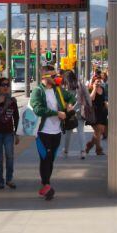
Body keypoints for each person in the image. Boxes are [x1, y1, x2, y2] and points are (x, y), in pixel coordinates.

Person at [29, 65, 75, 201]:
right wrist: (56, 113)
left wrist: (70, 104)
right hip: (43, 132)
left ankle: (46, 184)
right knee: (45, 158)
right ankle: (46, 185)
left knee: (51, 159)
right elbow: (37, 109)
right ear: (45, 77)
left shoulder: (58, 90)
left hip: (56, 132)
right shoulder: (38, 91)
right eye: (54, 76)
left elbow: (71, 97)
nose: (57, 78)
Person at [61, 70, 92, 159]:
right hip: (80, 112)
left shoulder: (64, 86)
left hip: (69, 113)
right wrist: (89, 107)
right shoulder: (80, 84)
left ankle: (66, 150)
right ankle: (83, 152)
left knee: (68, 132)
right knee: (81, 132)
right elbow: (87, 96)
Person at [85, 79, 108, 156]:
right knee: (98, 131)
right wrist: (94, 88)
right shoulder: (90, 89)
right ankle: (98, 150)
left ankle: (90, 145)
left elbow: (104, 101)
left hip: (102, 112)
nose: (98, 83)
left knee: (99, 131)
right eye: (96, 81)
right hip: (94, 113)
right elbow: (91, 99)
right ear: (93, 82)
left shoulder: (103, 89)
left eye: (99, 81)